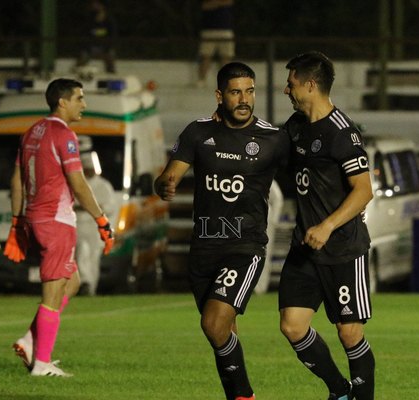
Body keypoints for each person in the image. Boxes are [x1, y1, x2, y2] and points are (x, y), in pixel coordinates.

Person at [155, 62, 290, 400]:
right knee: (222, 332)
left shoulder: (272, 139)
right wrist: (165, 185)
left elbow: (306, 177)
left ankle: (245, 396)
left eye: (250, 91)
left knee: (214, 324)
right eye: (235, 92)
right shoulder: (198, 133)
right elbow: (167, 176)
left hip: (244, 247)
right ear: (220, 95)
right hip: (203, 248)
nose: (244, 99)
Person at [278, 51, 375, 400]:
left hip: (342, 249)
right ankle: (339, 391)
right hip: (305, 250)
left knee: (349, 333)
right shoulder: (295, 127)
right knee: (292, 326)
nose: (285, 90)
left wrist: (327, 226)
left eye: (291, 84)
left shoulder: (341, 133)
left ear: (310, 85)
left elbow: (363, 191)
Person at [3, 78, 115, 377]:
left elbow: (17, 179)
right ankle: (42, 363)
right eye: (79, 98)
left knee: (73, 282)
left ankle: (29, 340)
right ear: (62, 102)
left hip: (36, 217)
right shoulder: (63, 134)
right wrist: (102, 219)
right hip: (56, 220)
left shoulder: (31, 132)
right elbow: (78, 183)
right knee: (52, 295)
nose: (84, 104)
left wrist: (17, 221)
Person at [76, 139, 116, 295]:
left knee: (93, 259)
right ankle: (84, 282)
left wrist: (90, 207)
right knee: (81, 253)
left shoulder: (103, 185)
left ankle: (91, 288)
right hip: (78, 225)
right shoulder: (77, 184)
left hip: (94, 227)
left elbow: (109, 207)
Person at [196, 0, 235, 88]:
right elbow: (205, 6)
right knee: (206, 56)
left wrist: (214, 3)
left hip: (225, 29)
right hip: (208, 30)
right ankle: (201, 80)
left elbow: (229, 2)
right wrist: (220, 3)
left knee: (226, 57)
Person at [76, 0, 117, 74]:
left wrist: (107, 47)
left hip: (105, 48)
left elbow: (112, 36)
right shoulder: (89, 20)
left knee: (110, 55)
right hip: (91, 47)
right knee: (83, 57)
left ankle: (111, 73)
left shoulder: (109, 21)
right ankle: (77, 72)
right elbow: (85, 34)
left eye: (97, 5)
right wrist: (87, 47)